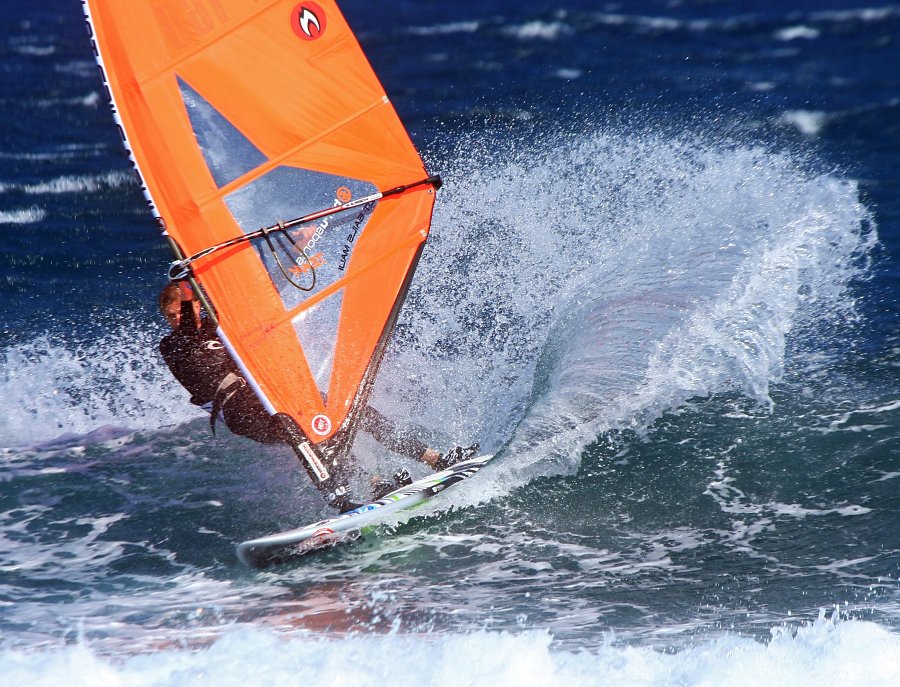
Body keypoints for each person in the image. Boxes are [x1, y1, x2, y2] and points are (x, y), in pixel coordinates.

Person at [158, 282, 477, 508]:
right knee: (307, 433)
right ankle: (355, 492)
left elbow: (256, 293)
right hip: (242, 413)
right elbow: (189, 332)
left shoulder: (222, 326)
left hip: (277, 396)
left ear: (201, 305)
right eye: (169, 316)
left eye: (179, 312)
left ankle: (435, 459)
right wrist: (186, 282)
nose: (176, 320)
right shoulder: (174, 345)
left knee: (352, 410)